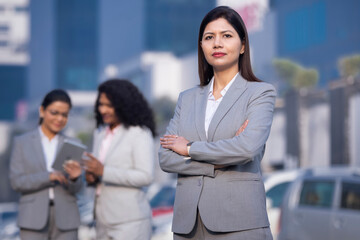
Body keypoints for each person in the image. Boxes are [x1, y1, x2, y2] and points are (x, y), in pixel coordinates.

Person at [159, 6, 276, 240]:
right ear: (201, 47)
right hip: (189, 226)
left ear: (243, 45)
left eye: (227, 36)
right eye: (209, 37)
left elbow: (246, 148)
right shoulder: (187, 98)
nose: (217, 43)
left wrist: (190, 148)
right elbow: (166, 158)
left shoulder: (260, 93)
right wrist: (217, 163)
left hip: (239, 222)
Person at [84, 79, 155, 240]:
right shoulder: (100, 134)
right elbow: (100, 173)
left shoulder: (139, 133)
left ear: (123, 105)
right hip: (102, 221)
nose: (103, 110)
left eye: (109, 105)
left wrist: (103, 171)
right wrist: (91, 177)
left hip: (130, 222)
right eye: (100, 104)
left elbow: (145, 176)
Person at [9, 89, 83, 240]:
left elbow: (78, 189)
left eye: (64, 115)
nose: (59, 119)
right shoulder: (22, 143)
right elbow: (16, 182)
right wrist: (48, 177)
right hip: (32, 218)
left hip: (67, 219)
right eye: (54, 112)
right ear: (42, 111)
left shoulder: (74, 144)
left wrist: (75, 179)